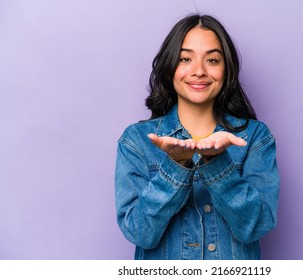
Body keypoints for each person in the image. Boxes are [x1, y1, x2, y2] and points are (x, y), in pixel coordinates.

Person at [115, 13, 279, 260]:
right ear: (171, 66)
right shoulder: (136, 141)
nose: (199, 71)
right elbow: (139, 233)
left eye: (212, 60)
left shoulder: (255, 138)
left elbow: (255, 226)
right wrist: (176, 166)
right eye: (185, 58)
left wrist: (216, 164)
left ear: (227, 69)